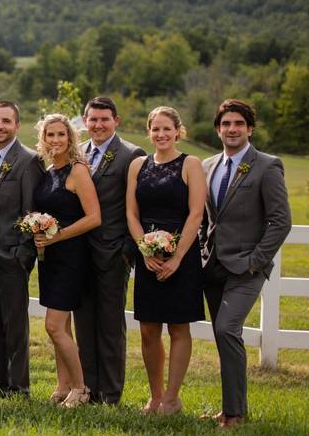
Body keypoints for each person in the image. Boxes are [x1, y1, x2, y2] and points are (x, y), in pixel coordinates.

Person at [200, 99, 291, 429]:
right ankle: (231, 409)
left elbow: (281, 221)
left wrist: (256, 261)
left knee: (227, 328)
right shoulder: (207, 166)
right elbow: (204, 218)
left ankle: (235, 415)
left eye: (238, 123)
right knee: (223, 337)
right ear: (218, 129)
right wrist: (200, 251)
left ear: (249, 128)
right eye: (226, 124)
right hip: (212, 266)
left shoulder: (267, 166)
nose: (232, 129)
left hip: (246, 268)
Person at [126, 106, 207, 415]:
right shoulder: (138, 165)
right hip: (146, 255)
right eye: (155, 129)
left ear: (177, 131)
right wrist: (144, 250)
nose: (161, 134)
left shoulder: (191, 164)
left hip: (182, 256)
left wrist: (176, 258)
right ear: (149, 132)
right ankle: (155, 396)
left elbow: (196, 214)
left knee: (177, 327)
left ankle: (173, 398)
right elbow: (131, 214)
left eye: (166, 129)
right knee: (148, 328)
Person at [0, 101, 45, 396]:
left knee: (15, 324)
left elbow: (32, 210)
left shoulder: (29, 160)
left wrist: (23, 255)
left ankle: (19, 385)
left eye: (5, 121)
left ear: (17, 125)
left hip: (12, 254)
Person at [77, 97, 146, 404]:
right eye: (92, 119)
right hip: (79, 254)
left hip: (113, 253)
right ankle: (88, 387)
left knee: (109, 325)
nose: (98, 125)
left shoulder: (131, 155)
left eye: (104, 119)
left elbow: (139, 207)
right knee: (84, 323)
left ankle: (111, 393)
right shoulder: (77, 152)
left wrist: (128, 250)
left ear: (116, 121)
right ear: (84, 121)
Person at [32, 114, 101, 408]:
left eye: (61, 134)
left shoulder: (78, 171)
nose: (55, 140)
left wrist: (58, 237)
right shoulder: (49, 172)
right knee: (63, 327)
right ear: (43, 139)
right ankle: (63, 387)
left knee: (54, 326)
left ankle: (81, 388)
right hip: (50, 257)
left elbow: (94, 217)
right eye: (50, 135)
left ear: (70, 138)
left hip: (72, 257)